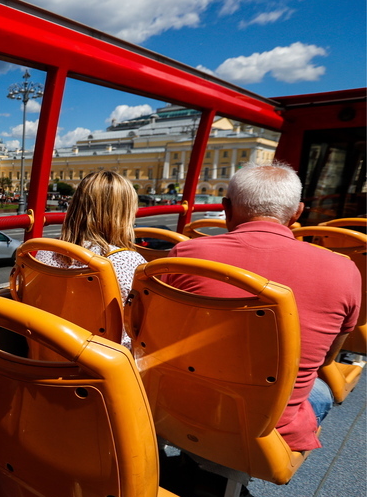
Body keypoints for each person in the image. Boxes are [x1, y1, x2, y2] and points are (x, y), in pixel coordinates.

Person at [164, 161, 361, 453]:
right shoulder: (344, 271)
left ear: (226, 208)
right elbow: (327, 357)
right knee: (320, 390)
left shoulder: (185, 255)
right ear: (297, 213)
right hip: (267, 426)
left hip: (173, 402)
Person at [35, 170, 146, 347]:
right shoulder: (129, 262)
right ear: (122, 213)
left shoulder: (44, 251)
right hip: (106, 361)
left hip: (50, 349)